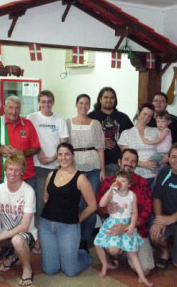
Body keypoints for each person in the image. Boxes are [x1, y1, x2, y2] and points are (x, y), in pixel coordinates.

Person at [39, 143, 96, 277]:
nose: (63, 158)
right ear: (57, 156)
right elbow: (46, 199)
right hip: (46, 225)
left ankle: (83, 253)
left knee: (70, 271)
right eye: (60, 154)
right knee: (50, 270)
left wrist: (77, 220)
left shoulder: (81, 178)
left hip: (68, 227)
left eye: (67, 154)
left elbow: (92, 205)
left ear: (73, 156)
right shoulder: (51, 174)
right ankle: (62, 254)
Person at [97, 148, 155, 274]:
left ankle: (129, 252)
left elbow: (145, 213)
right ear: (119, 161)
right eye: (126, 159)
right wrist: (106, 209)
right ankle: (115, 255)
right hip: (115, 226)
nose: (130, 163)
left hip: (136, 230)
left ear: (136, 165)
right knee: (113, 250)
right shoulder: (109, 182)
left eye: (134, 161)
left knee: (145, 269)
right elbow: (98, 207)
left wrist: (128, 226)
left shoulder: (143, 183)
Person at [0, 155, 37, 286]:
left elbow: (25, 226)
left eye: (17, 170)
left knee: (17, 240)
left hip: (27, 234)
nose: (12, 173)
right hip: (7, 233)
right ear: (5, 170)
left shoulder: (28, 191)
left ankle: (27, 269)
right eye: (10, 169)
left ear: (22, 172)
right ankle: (11, 255)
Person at [27, 90, 68, 253]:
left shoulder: (59, 120)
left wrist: (52, 159)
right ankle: (38, 241)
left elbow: (63, 144)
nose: (46, 104)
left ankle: (54, 239)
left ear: (53, 102)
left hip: (57, 167)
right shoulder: (32, 118)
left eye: (49, 101)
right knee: (39, 205)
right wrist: (39, 154)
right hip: (38, 168)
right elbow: (30, 140)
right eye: (43, 101)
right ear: (38, 102)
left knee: (55, 205)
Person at [66, 93, 105, 246]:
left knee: (91, 204)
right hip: (75, 168)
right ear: (76, 105)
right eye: (81, 103)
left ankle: (86, 239)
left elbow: (101, 148)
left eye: (86, 103)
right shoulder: (68, 122)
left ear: (89, 106)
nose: (83, 106)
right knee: (78, 203)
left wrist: (102, 170)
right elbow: (64, 147)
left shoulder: (95, 123)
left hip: (93, 167)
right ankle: (75, 237)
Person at [0, 96, 40, 189]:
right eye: (11, 107)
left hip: (27, 177)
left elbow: (36, 148)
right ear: (4, 108)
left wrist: (22, 153)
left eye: (17, 108)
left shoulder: (28, 124)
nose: (14, 111)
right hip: (5, 177)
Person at [88, 87, 133, 176]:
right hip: (97, 165)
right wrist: (101, 142)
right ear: (100, 99)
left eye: (112, 97)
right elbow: (85, 139)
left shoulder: (123, 117)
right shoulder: (91, 117)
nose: (109, 100)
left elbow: (133, 137)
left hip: (119, 164)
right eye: (106, 97)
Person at [118, 102, 159, 186]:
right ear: (138, 112)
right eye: (144, 114)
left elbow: (164, 150)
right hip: (133, 176)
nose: (146, 118)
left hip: (155, 176)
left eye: (149, 116)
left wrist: (164, 158)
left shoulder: (156, 131)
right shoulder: (126, 133)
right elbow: (125, 159)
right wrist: (145, 164)